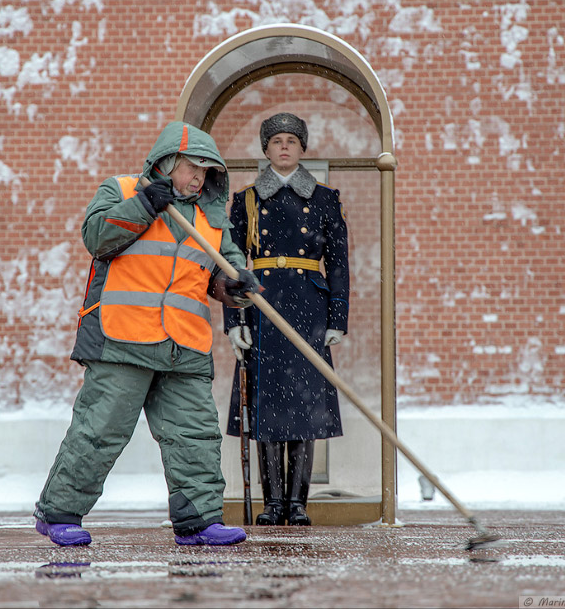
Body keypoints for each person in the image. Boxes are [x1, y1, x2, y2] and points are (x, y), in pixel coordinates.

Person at [34, 121, 260, 547]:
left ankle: (198, 520)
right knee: (100, 430)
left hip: (184, 345)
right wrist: (143, 206)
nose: (198, 178)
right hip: (123, 339)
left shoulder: (212, 217)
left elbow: (221, 270)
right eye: (191, 167)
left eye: (207, 172)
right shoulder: (121, 190)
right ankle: (58, 512)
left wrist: (233, 288)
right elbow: (96, 238)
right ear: (167, 162)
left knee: (193, 433)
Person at [223, 112, 350, 527]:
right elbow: (231, 263)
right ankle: (272, 503)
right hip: (262, 308)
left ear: (302, 148)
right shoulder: (245, 199)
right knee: (265, 408)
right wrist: (234, 320)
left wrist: (337, 317)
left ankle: (297, 504)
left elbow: (339, 265)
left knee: (303, 409)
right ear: (265, 149)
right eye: (276, 140)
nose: (283, 147)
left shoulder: (325, 198)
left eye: (291, 141)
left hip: (308, 310)